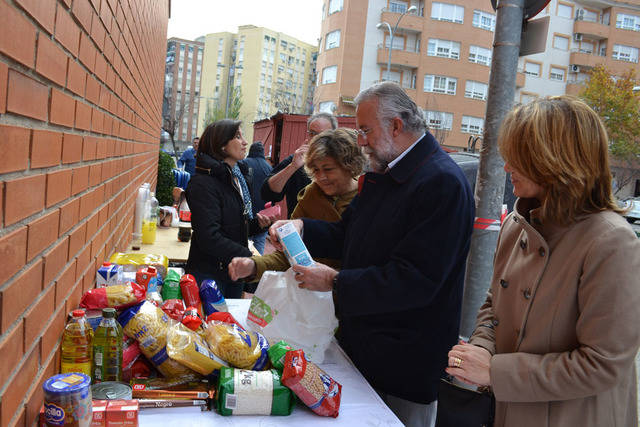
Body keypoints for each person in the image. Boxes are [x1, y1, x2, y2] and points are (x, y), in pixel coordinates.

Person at [267, 82, 475, 426]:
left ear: (396, 125)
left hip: (403, 364)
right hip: (363, 351)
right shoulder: (386, 173)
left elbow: (415, 281)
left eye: (365, 130)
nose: (360, 140)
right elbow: (348, 234)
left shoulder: (441, 182)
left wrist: (334, 281)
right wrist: (303, 228)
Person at [445, 96, 640, 427]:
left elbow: (603, 364)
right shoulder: (517, 223)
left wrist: (495, 371)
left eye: (518, 157)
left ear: (555, 161)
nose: (507, 167)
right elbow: (494, 307)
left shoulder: (611, 242)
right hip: (507, 409)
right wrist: (479, 351)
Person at [228, 128, 366, 283]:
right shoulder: (311, 195)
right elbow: (287, 255)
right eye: (315, 170)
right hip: (310, 298)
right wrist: (253, 266)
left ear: (350, 165)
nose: (321, 177)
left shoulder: (368, 199)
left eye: (328, 169)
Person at [185, 120, 275, 298]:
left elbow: (234, 226)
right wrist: (248, 256)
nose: (245, 142)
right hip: (210, 276)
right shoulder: (204, 183)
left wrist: (258, 224)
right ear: (222, 145)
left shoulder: (236, 177)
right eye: (237, 136)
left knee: (229, 324)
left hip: (233, 271)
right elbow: (208, 237)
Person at [260, 112, 337, 218]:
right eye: (312, 133)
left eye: (322, 135)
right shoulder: (296, 160)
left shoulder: (341, 163)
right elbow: (267, 193)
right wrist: (293, 166)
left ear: (333, 136)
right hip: (299, 231)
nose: (316, 139)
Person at [239, 141, 273, 255]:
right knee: (259, 248)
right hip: (263, 215)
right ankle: (257, 269)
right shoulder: (269, 168)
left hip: (246, 213)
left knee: (243, 245)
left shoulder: (243, 164)